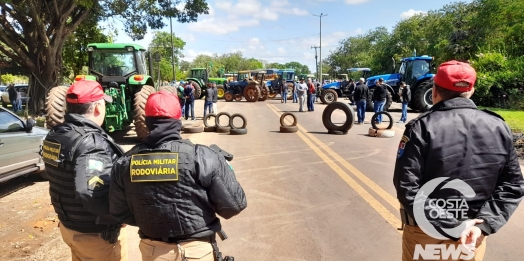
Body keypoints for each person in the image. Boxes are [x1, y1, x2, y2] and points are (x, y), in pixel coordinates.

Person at [393, 60, 524, 261]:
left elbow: (407, 187)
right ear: (470, 91)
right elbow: (512, 185)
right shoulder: (498, 127)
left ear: (434, 90)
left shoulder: (420, 127)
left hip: (427, 235)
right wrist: (484, 225)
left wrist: (454, 226)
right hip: (472, 235)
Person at [109, 91, 247, 261]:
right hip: (196, 252)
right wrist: (227, 169)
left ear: (147, 121)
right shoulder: (202, 156)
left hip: (152, 252)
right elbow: (233, 206)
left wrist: (153, 219)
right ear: (178, 119)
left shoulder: (125, 162)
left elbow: (119, 210)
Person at [42, 80, 127, 261]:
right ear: (97, 107)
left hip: (71, 228)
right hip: (95, 236)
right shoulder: (91, 143)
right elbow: (90, 192)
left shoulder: (56, 134)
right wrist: (117, 215)